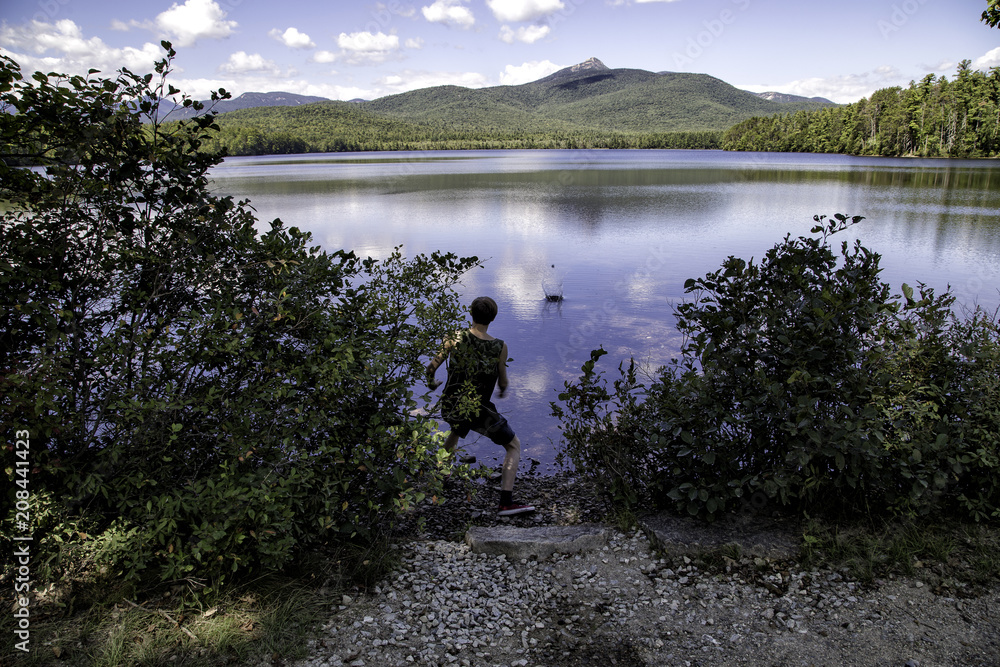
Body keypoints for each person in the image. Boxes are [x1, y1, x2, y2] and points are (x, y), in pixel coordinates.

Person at [426, 296, 535, 516]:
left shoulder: (454, 337)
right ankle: (506, 503)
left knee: (458, 428)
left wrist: (432, 384)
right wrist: (502, 389)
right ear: (493, 318)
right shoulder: (499, 347)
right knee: (513, 445)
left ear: (471, 313)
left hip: (450, 403)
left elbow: (430, 368)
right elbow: (503, 382)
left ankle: (439, 476)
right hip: (476, 410)